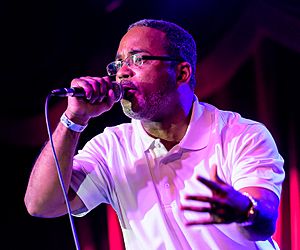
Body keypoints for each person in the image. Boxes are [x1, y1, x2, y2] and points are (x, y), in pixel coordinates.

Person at [24, 19, 285, 249]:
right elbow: (41, 205)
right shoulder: (111, 146)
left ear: (182, 73)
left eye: (138, 59)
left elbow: (264, 221)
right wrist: (74, 120)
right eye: (118, 64)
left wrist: (244, 212)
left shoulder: (240, 135)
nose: (122, 72)